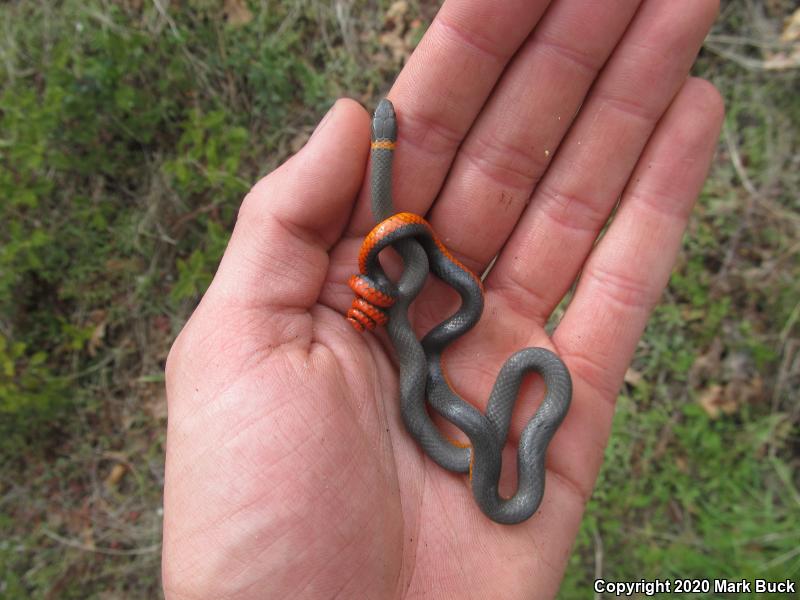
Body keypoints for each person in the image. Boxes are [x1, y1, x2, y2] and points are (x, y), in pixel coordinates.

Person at [161, 0, 724, 597]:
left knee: (449, 346)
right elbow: (403, 275)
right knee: (434, 352)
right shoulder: (407, 287)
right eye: (387, 129)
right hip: (425, 346)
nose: (384, 123)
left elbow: (409, 268)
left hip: (434, 334)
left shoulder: (417, 280)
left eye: (385, 128)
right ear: (389, 141)